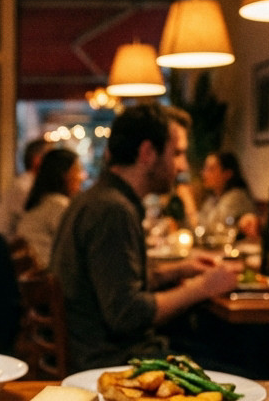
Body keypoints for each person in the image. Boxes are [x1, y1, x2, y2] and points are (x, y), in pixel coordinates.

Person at [49, 104, 239, 371]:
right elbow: (127, 314)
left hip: (106, 354)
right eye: (178, 153)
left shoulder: (96, 199)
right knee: (249, 368)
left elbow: (114, 281)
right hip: (115, 364)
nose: (183, 165)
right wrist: (203, 288)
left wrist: (176, 271)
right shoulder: (112, 210)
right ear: (148, 153)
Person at [15, 146, 85, 269]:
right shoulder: (57, 205)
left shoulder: (42, 201)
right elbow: (77, 249)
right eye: (78, 170)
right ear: (65, 174)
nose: (82, 176)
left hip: (36, 278)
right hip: (49, 279)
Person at [0, 137, 50, 241]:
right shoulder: (25, 187)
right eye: (51, 159)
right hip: (6, 250)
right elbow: (36, 222)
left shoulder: (28, 184)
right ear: (37, 161)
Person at [196, 151, 256, 234]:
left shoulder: (237, 197)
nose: (204, 173)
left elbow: (211, 228)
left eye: (211, 169)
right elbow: (199, 224)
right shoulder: (213, 198)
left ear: (227, 174)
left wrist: (188, 200)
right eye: (205, 168)